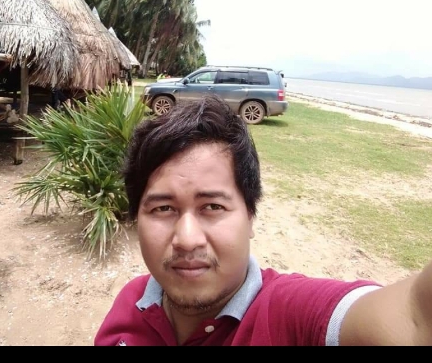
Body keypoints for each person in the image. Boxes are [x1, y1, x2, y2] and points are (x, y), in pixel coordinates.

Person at [94, 96, 432, 347]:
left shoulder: (291, 315)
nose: (187, 239)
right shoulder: (131, 302)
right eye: (163, 209)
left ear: (250, 215)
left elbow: (414, 319)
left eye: (212, 206)